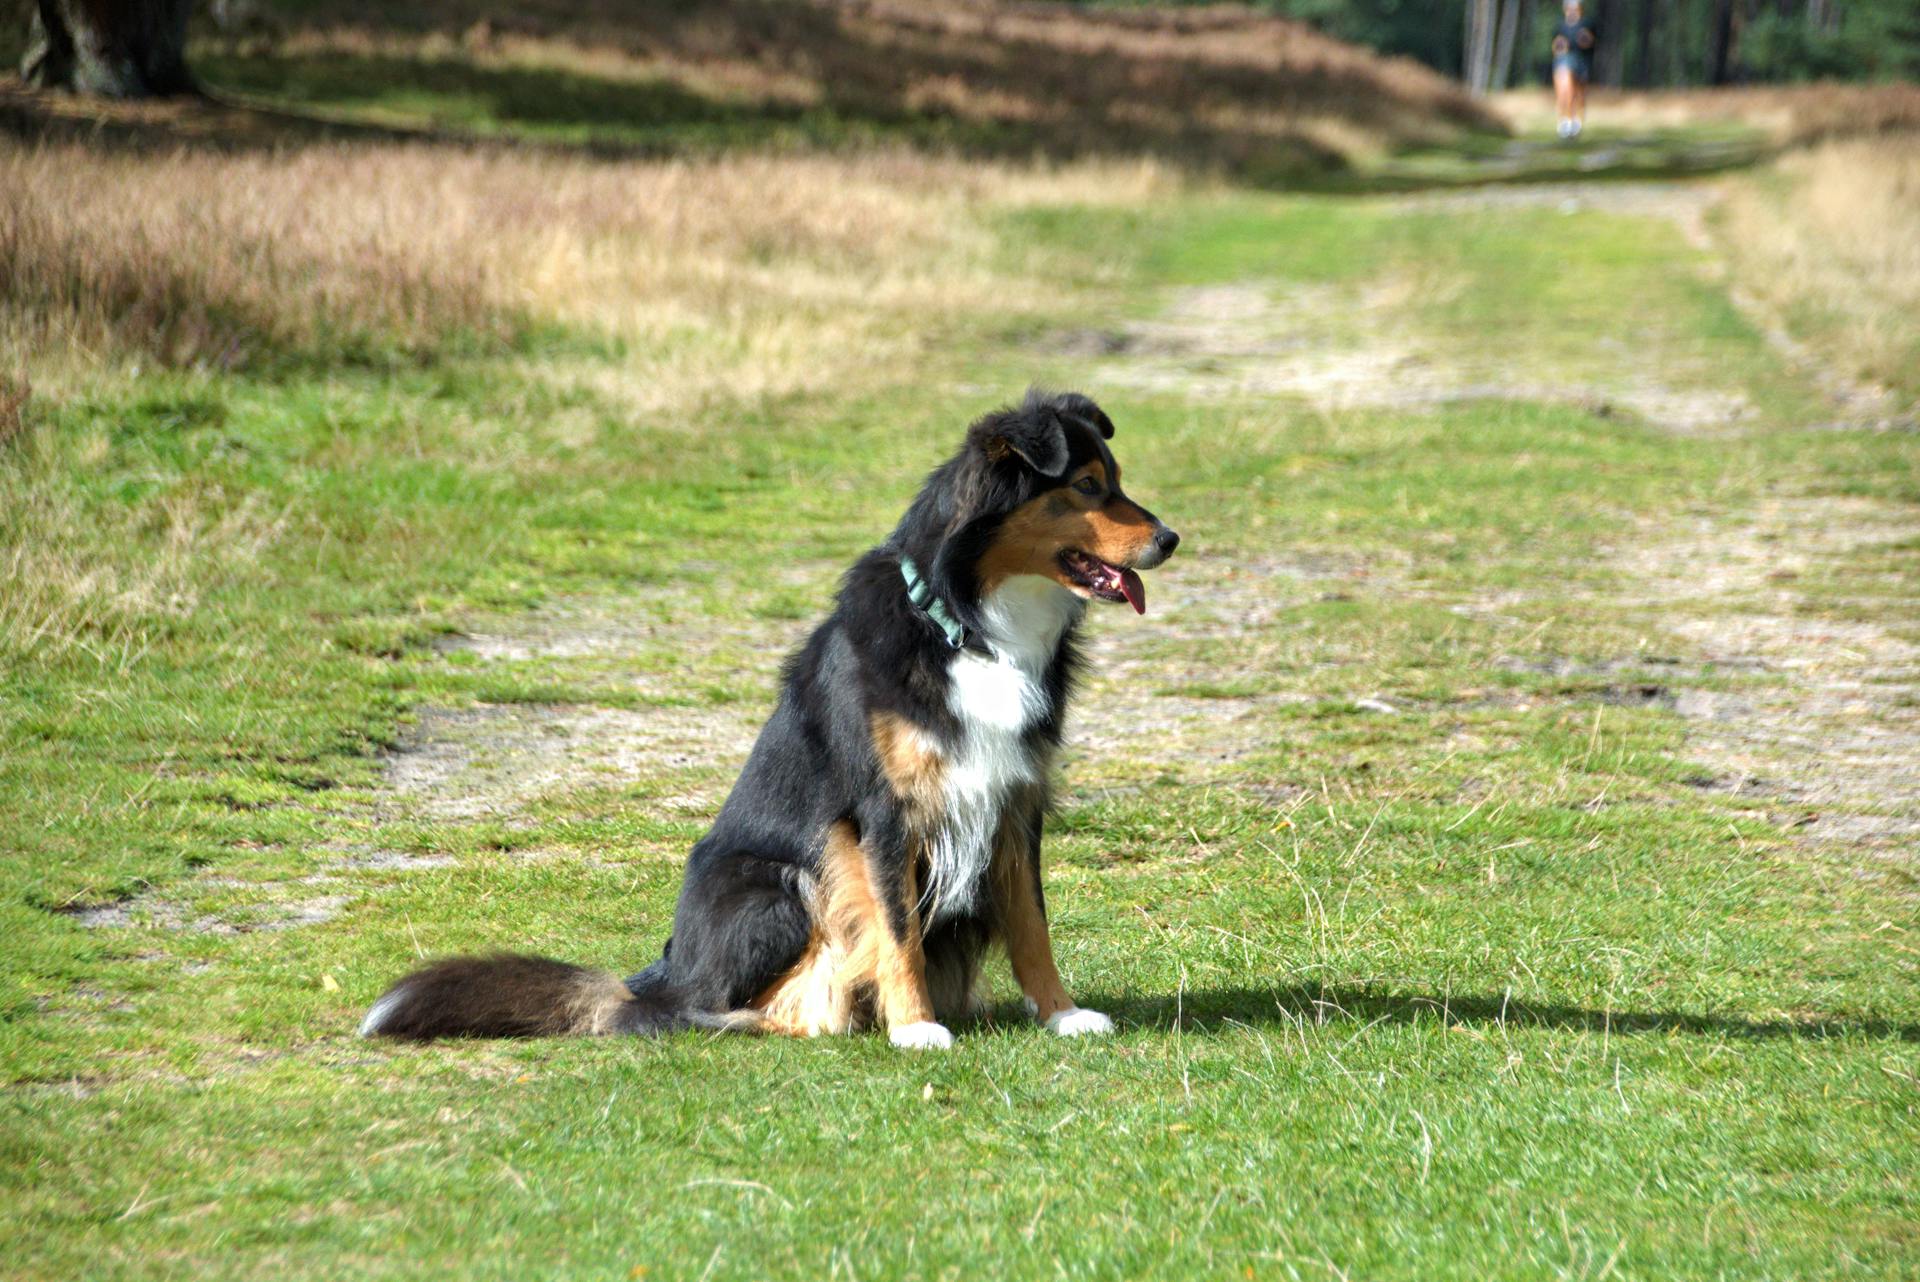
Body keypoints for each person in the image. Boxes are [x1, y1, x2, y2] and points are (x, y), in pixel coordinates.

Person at [1551, 0, 1597, 140]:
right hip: (1564, 60)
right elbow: (1555, 45)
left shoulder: (1587, 24)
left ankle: (1575, 120)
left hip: (1581, 61)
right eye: (1569, 8)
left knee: (1578, 93)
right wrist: (1560, 46)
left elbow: (1590, 42)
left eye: (1575, 8)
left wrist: (1584, 39)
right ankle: (1564, 121)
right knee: (1564, 91)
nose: (1572, 11)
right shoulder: (1560, 25)